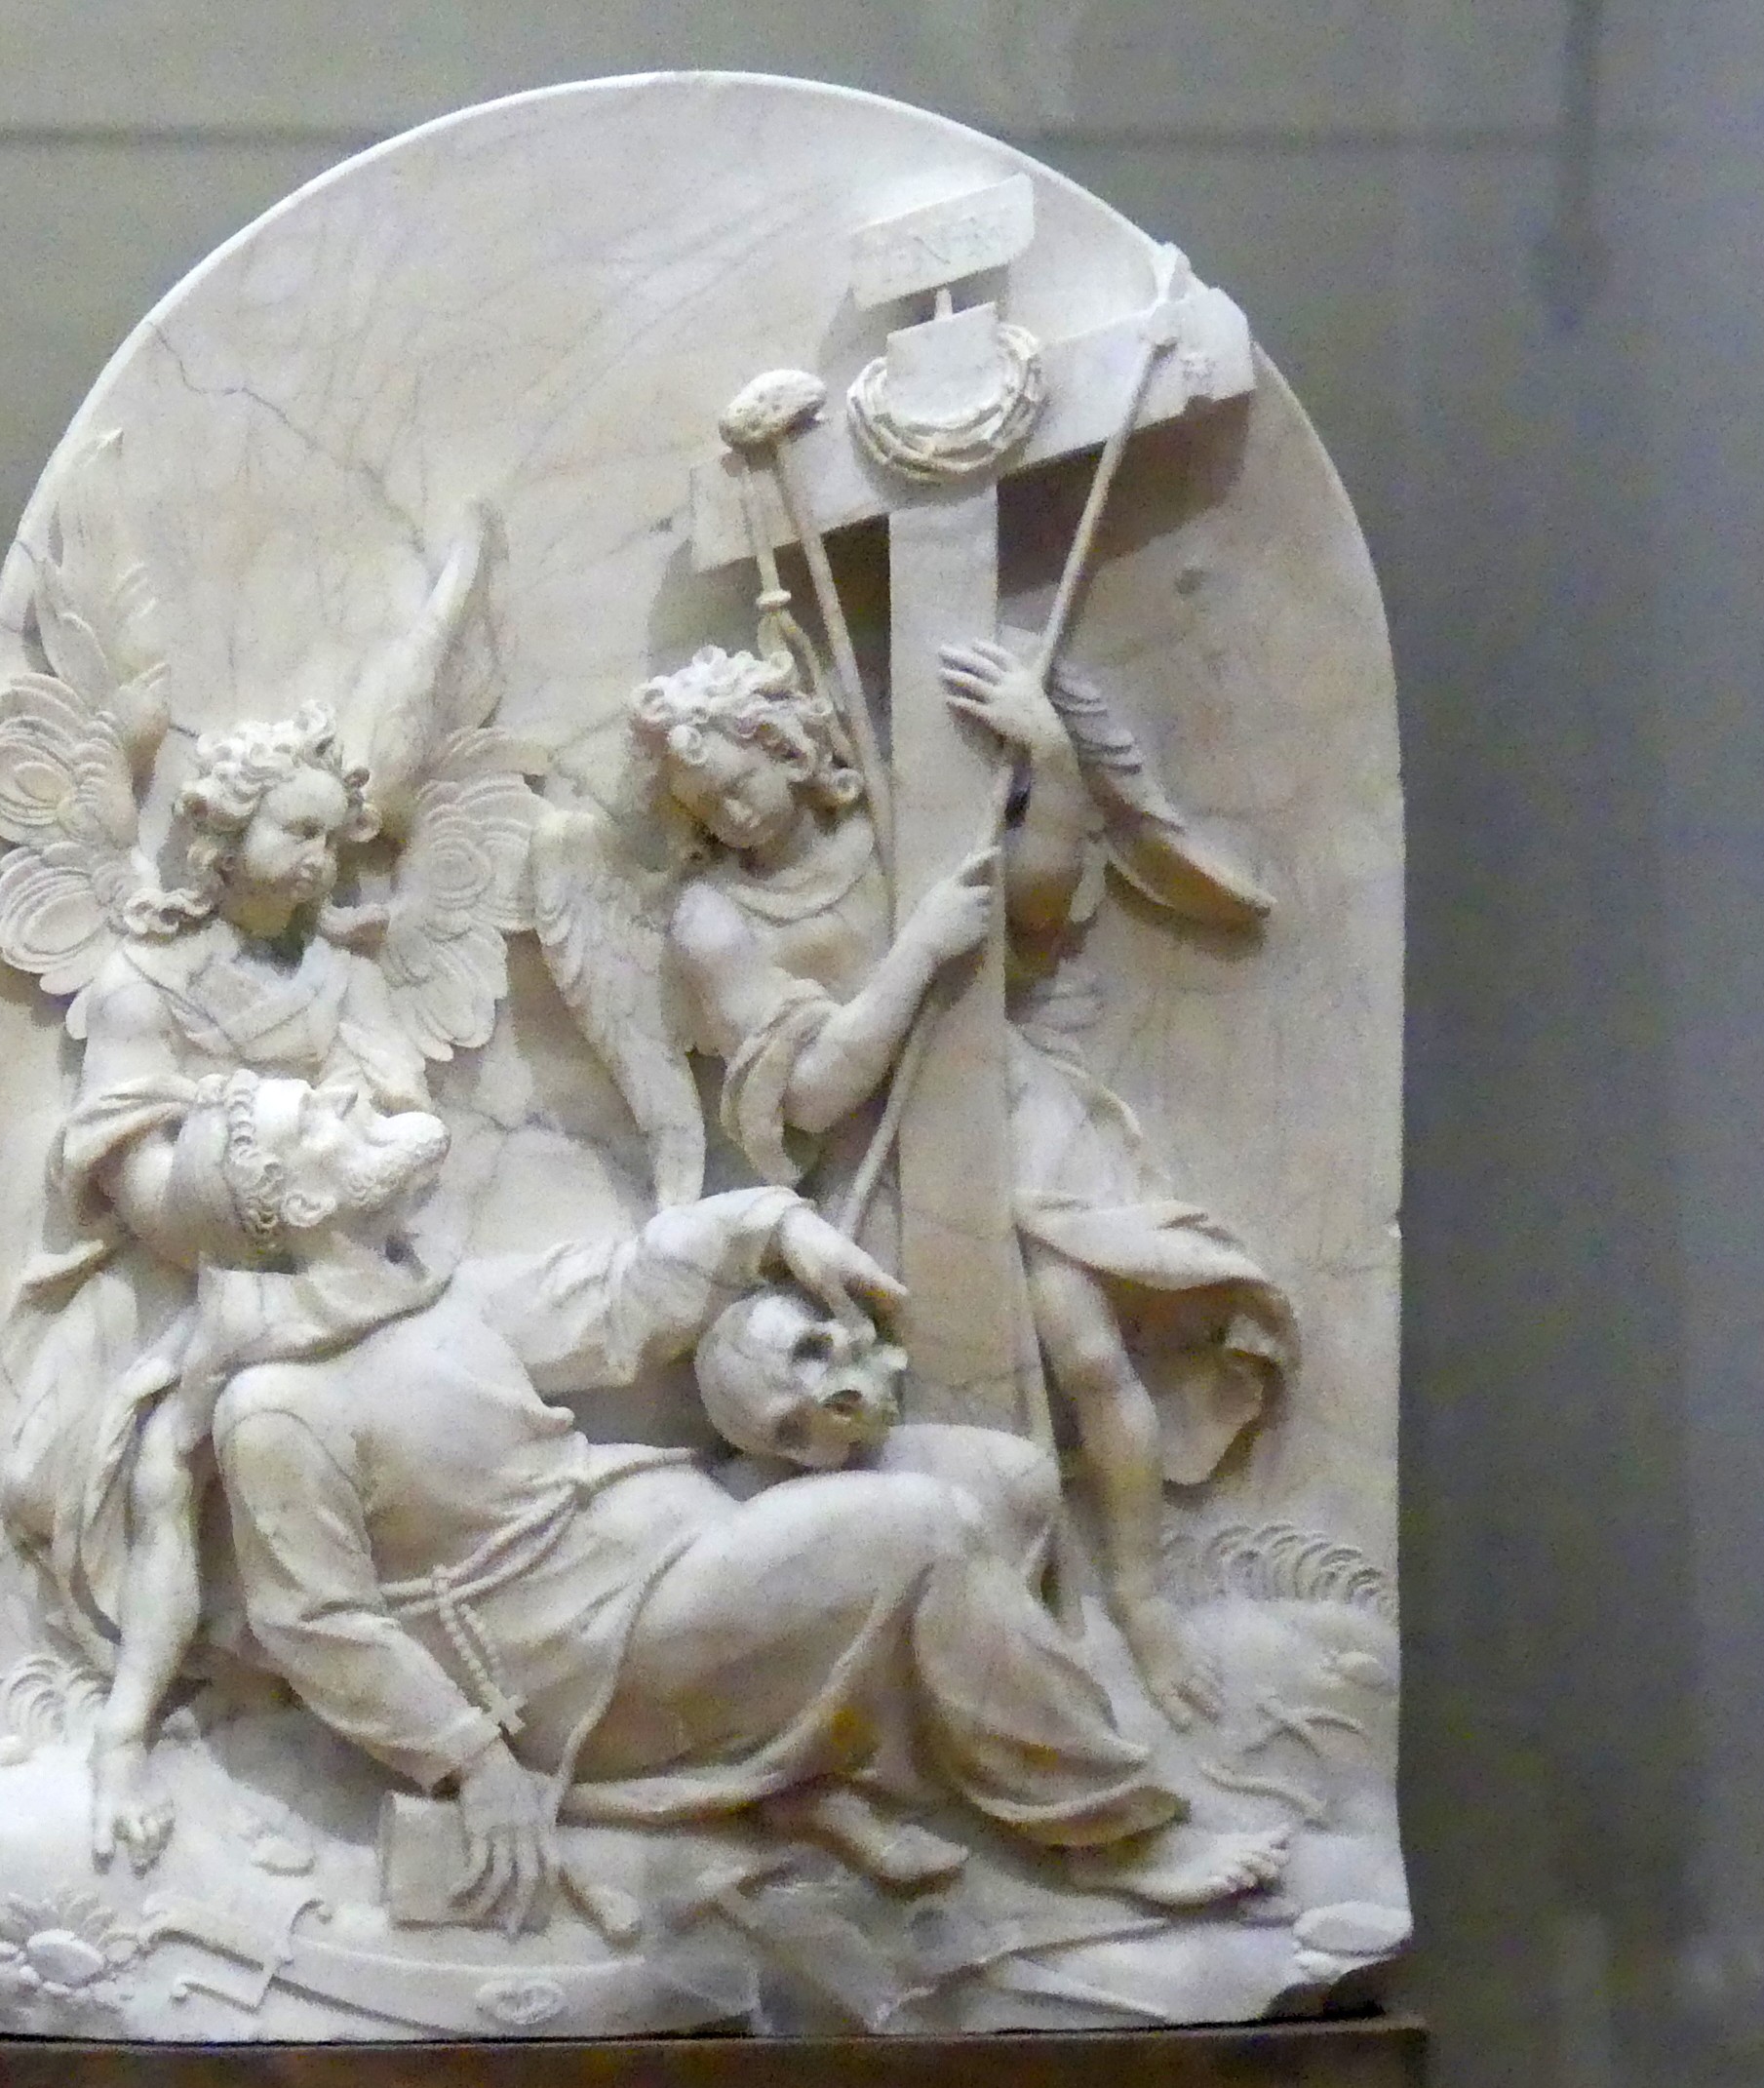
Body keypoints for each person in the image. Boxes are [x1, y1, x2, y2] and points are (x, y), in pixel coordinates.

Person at [197, 1072, 1290, 1931]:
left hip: (671, 1555)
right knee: (920, 1526)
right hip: (591, 1663)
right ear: (303, 1203)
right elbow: (318, 1622)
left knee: (1001, 1480)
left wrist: (769, 1225)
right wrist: (473, 1757)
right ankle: (1109, 1830)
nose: (351, 1096)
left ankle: (859, 1770)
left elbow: (616, 1294)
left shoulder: (429, 1303)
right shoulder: (280, 1405)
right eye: (318, 1116)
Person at [630, 641, 1297, 1724]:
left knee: (1087, 1348)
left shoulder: (894, 817)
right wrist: (918, 950)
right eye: (704, 803)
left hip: (1004, 1108)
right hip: (887, 1163)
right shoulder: (712, 919)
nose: (731, 812)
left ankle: (1138, 1597)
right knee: (925, 1413)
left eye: (739, 780)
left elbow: (1029, 908)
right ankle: (977, 1645)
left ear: (785, 744)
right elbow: (812, 1093)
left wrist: (1051, 760)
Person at [0, 704, 434, 1867]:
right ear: (225, 839)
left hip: (341, 1262)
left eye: (333, 837)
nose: (321, 859)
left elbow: (408, 1126)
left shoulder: (344, 978)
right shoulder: (146, 983)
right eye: (297, 830)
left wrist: (339, 1174)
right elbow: (135, 1177)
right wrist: (253, 1184)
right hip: (192, 1279)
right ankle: (125, 1737)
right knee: (164, 1466)